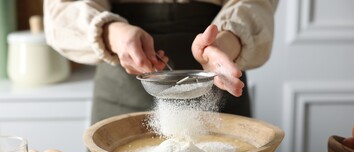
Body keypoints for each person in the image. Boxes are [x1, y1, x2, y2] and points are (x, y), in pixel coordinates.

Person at [44, 0, 278, 124]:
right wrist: (111, 33)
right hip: (120, 93)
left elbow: (256, 2)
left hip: (219, 82)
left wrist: (226, 42)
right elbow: (62, 8)